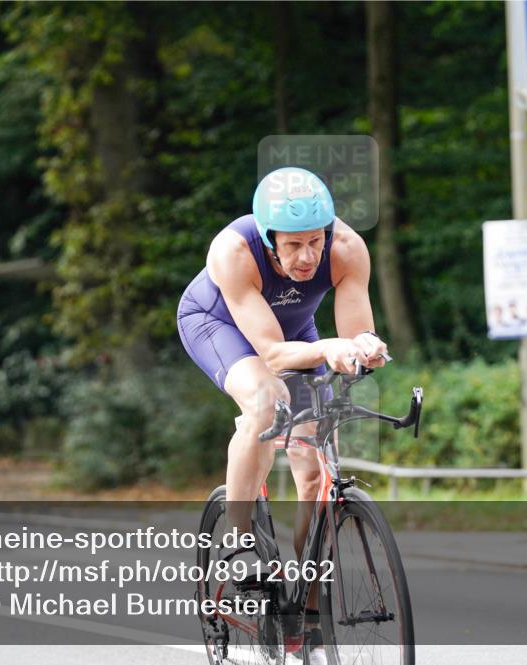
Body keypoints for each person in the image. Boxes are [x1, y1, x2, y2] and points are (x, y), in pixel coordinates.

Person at [176, 166, 388, 661]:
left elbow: (354, 337)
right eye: (292, 246)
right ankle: (238, 537)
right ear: (268, 238)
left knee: (317, 473)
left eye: (315, 242)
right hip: (218, 325)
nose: (307, 256)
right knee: (264, 401)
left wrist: (365, 350)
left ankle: (306, 620)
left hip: (297, 332)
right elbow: (271, 354)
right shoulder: (233, 251)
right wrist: (331, 348)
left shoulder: (348, 250)